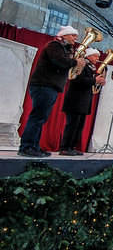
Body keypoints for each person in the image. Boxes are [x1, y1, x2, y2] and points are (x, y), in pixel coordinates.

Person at [18, 25, 86, 158]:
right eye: (73, 35)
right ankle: (26, 146)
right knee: (37, 117)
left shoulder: (63, 48)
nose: (75, 38)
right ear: (64, 35)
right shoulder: (54, 45)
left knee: (41, 118)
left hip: (50, 86)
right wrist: (75, 62)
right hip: (44, 85)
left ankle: (34, 146)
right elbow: (59, 61)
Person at [59, 48, 105, 156]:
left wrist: (98, 82)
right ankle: (65, 147)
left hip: (84, 102)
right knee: (72, 125)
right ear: (88, 56)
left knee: (79, 126)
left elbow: (89, 83)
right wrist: (95, 80)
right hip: (75, 100)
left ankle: (72, 146)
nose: (98, 59)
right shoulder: (81, 65)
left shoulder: (90, 68)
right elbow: (77, 80)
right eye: (95, 56)